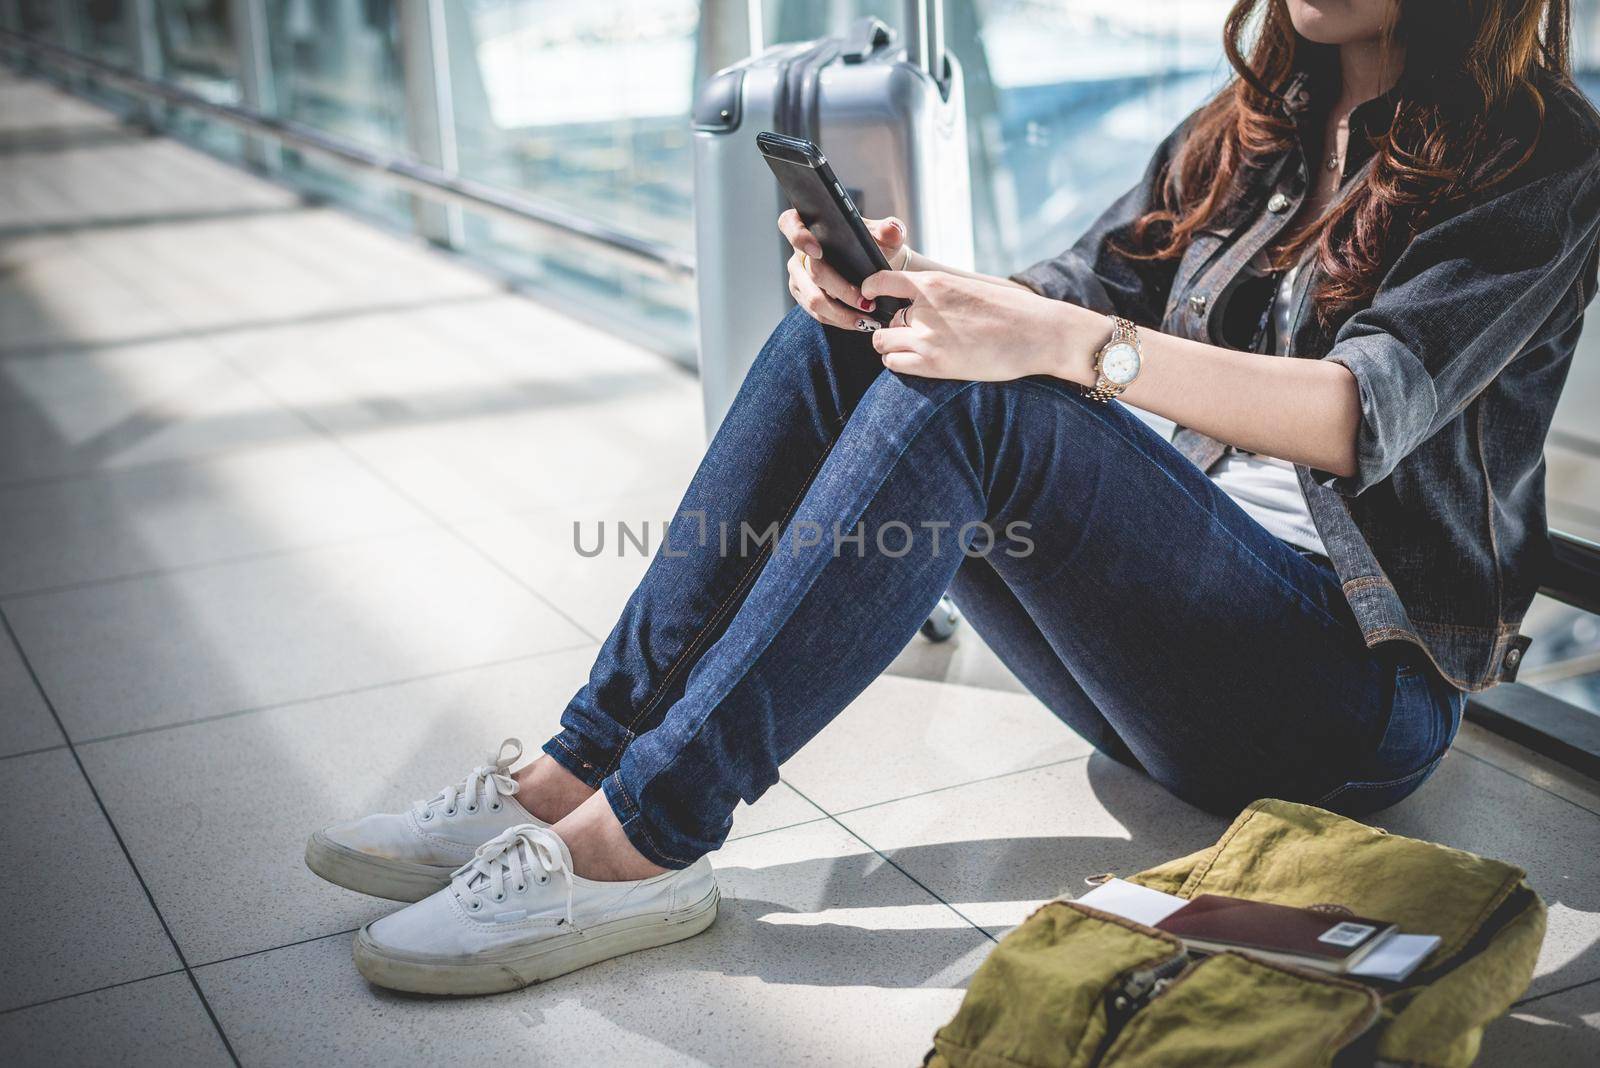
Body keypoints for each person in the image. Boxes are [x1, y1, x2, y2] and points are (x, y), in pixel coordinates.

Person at [307, 0, 1600, 996]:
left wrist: (1069, 348)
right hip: (1171, 672)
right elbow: (1069, 285)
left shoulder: (1543, 152)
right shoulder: (1250, 123)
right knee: (868, 338)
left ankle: (638, 845)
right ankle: (572, 770)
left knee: (982, 395)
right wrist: (909, 291)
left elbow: (1365, 409)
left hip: (1349, 695)